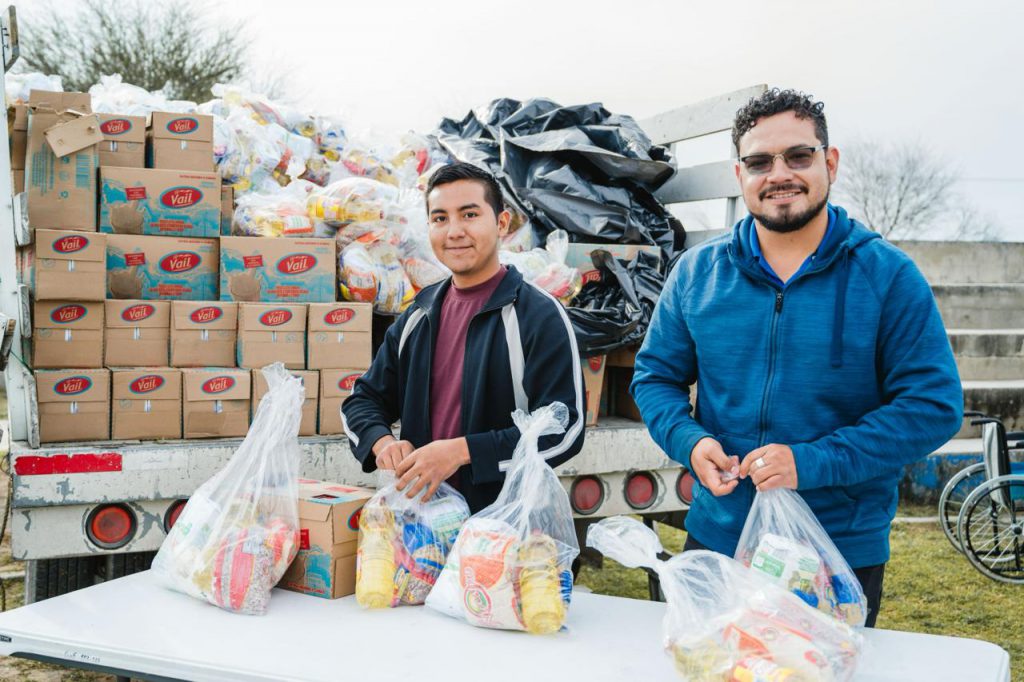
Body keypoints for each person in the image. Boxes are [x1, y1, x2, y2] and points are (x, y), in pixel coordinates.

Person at [631, 88, 963, 627]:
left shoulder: (888, 276)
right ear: (740, 174)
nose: (779, 173)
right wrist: (692, 443)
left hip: (836, 550)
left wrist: (809, 463)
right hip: (718, 535)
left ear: (829, 162)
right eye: (760, 161)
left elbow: (933, 406)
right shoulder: (696, 274)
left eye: (799, 156)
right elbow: (654, 378)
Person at [341, 162, 585, 513]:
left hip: (503, 529)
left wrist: (460, 452)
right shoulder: (418, 314)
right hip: (423, 531)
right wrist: (381, 443)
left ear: (501, 224)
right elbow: (362, 401)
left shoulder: (538, 315)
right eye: (440, 219)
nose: (454, 231)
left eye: (469, 215)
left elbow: (565, 429)